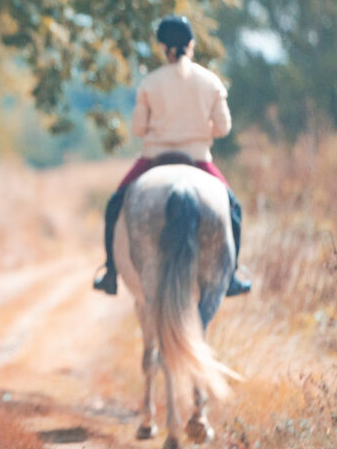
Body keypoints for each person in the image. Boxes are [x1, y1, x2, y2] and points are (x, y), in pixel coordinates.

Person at [93, 15, 251, 297]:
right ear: (191, 44)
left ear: (163, 47)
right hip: (199, 159)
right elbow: (225, 128)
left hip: (153, 157)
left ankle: (110, 272)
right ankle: (233, 274)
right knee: (233, 208)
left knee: (115, 204)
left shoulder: (150, 83)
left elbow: (139, 128)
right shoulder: (211, 81)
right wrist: (201, 131)